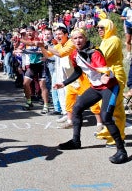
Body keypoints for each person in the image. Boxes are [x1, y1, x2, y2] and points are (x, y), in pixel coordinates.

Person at [55, 29, 128, 164]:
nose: (78, 41)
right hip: (95, 88)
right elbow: (78, 71)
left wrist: (104, 76)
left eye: (80, 38)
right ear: (71, 40)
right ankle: (76, 141)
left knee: (106, 117)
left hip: (109, 87)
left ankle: (121, 151)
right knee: (77, 108)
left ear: (85, 38)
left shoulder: (95, 53)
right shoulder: (75, 54)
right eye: (75, 38)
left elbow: (102, 68)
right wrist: (63, 83)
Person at [94, 19, 127, 147]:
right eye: (98, 28)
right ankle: (109, 132)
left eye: (102, 27)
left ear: (109, 27)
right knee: (105, 106)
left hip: (116, 76)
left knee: (115, 108)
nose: (99, 30)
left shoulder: (113, 40)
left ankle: (118, 138)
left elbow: (102, 57)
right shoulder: (106, 40)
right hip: (107, 76)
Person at [20, 26, 49, 114]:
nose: (28, 33)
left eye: (30, 31)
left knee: (42, 86)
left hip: (41, 65)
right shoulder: (26, 41)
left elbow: (44, 50)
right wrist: (17, 50)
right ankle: (29, 102)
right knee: (25, 83)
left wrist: (42, 52)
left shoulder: (39, 38)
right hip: (32, 65)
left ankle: (46, 106)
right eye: (27, 32)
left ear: (34, 32)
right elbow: (18, 48)